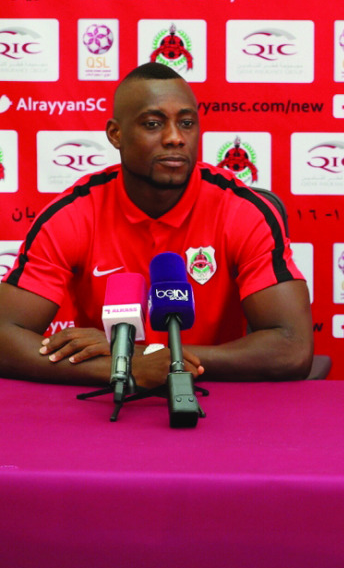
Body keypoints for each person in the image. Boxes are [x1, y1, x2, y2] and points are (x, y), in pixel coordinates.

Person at [0, 62, 313, 390]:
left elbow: (292, 348)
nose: (176, 138)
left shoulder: (242, 210)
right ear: (115, 134)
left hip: (219, 402)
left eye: (187, 123)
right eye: (153, 124)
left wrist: (142, 355)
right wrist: (123, 368)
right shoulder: (73, 214)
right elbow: (5, 335)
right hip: (109, 403)